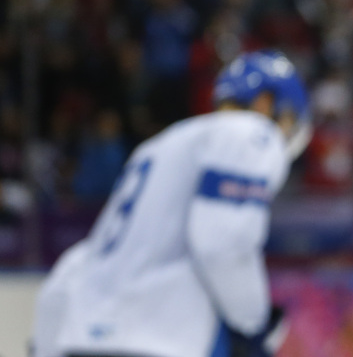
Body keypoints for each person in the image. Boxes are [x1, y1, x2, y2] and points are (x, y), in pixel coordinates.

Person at [31, 50, 312, 357]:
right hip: (160, 339)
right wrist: (253, 324)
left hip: (82, 340)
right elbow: (223, 243)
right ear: (265, 103)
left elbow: (77, 265)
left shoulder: (156, 147)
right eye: (286, 120)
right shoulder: (249, 133)